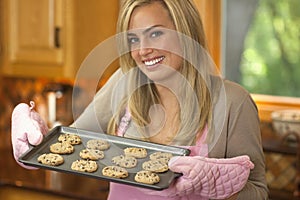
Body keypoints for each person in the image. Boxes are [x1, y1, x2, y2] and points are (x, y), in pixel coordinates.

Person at [11, 0, 269, 199]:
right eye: (133, 38)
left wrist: (215, 187)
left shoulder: (234, 101)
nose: (142, 50)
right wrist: (32, 138)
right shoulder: (123, 83)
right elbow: (70, 147)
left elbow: (258, 191)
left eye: (156, 34)